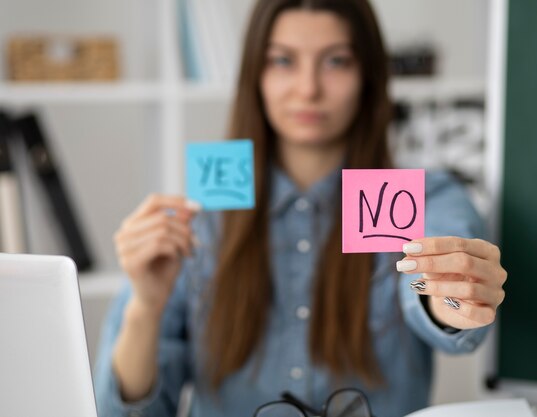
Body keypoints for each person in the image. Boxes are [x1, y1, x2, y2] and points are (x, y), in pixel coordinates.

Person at [94, 0, 507, 416]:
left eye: (336, 61)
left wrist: (450, 297)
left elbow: (425, 290)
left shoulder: (425, 199)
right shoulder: (201, 216)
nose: (308, 88)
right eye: (283, 61)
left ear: (368, 75)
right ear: (255, 75)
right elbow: (125, 411)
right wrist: (145, 307)